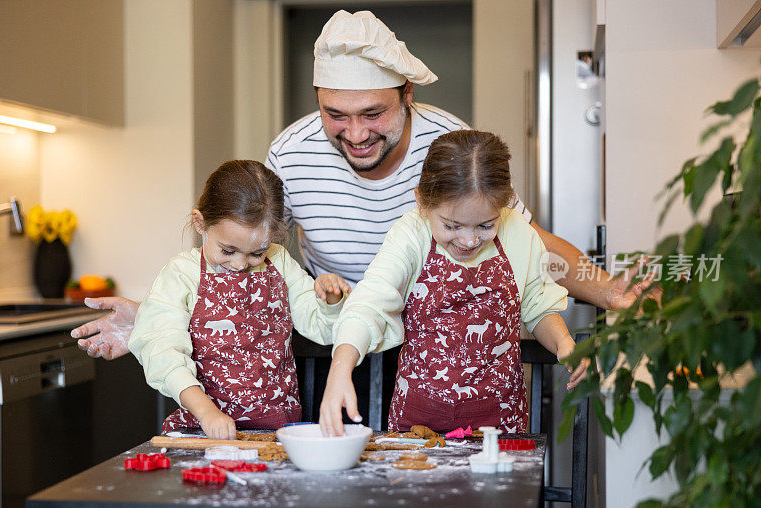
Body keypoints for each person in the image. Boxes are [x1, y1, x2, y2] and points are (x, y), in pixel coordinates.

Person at [72, 10, 644, 392]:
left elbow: (527, 242)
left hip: (435, 345)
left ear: (407, 97)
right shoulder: (292, 153)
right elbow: (242, 256)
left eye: (373, 114)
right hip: (333, 342)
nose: (355, 133)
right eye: (335, 115)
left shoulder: (445, 144)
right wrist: (155, 315)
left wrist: (619, 295)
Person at [320, 131, 587, 436]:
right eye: (451, 225)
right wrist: (340, 370)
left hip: (500, 426)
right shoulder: (411, 235)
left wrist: (564, 343)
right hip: (418, 424)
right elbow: (369, 304)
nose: (469, 240)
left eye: (486, 225)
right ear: (422, 202)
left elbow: (539, 307)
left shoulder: (519, 233)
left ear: (505, 205)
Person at [127, 160, 349, 439]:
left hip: (279, 428)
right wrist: (206, 412)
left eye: (257, 253)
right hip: (202, 428)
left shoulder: (279, 261)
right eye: (228, 250)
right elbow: (162, 351)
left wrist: (330, 302)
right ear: (201, 223)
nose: (240, 264)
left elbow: (321, 328)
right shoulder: (181, 274)